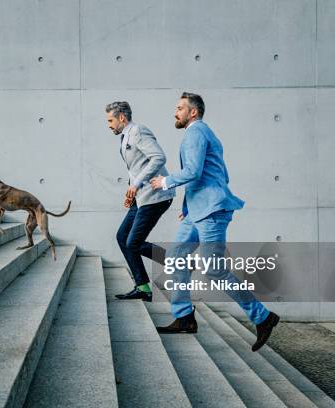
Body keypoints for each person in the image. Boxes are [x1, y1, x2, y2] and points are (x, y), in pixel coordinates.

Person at [149, 92, 279, 351]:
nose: (175, 112)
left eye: (179, 108)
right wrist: (188, 206)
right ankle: (184, 316)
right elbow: (218, 172)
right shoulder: (203, 134)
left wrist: (165, 182)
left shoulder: (196, 132)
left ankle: (263, 317)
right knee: (176, 256)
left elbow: (194, 171)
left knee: (213, 269)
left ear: (193, 112)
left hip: (210, 213)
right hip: (198, 211)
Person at [105, 101, 175, 302]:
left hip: (155, 196)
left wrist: (136, 184)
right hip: (141, 197)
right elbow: (136, 166)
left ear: (121, 117)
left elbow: (158, 157)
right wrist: (131, 192)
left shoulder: (138, 131)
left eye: (110, 120)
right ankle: (143, 287)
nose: (109, 125)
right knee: (122, 237)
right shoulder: (125, 136)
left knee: (133, 242)